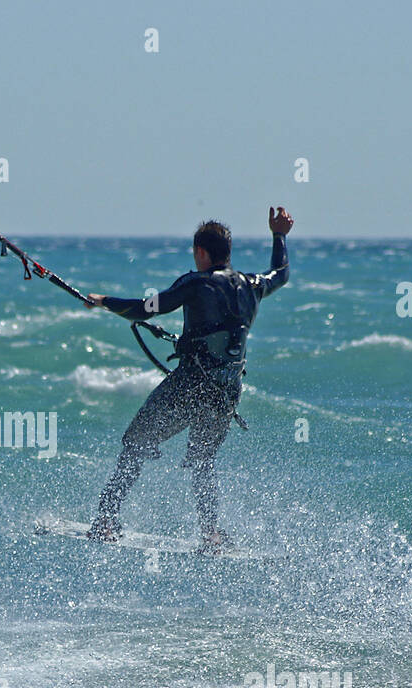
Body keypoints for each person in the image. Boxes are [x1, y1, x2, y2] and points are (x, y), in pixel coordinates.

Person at [84, 206, 293, 554]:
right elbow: (281, 274)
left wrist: (104, 301)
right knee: (202, 458)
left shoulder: (196, 283)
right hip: (227, 391)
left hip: (190, 385)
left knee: (136, 442)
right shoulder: (251, 285)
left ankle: (105, 520)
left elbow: (144, 308)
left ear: (200, 252)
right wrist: (279, 236)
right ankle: (211, 534)